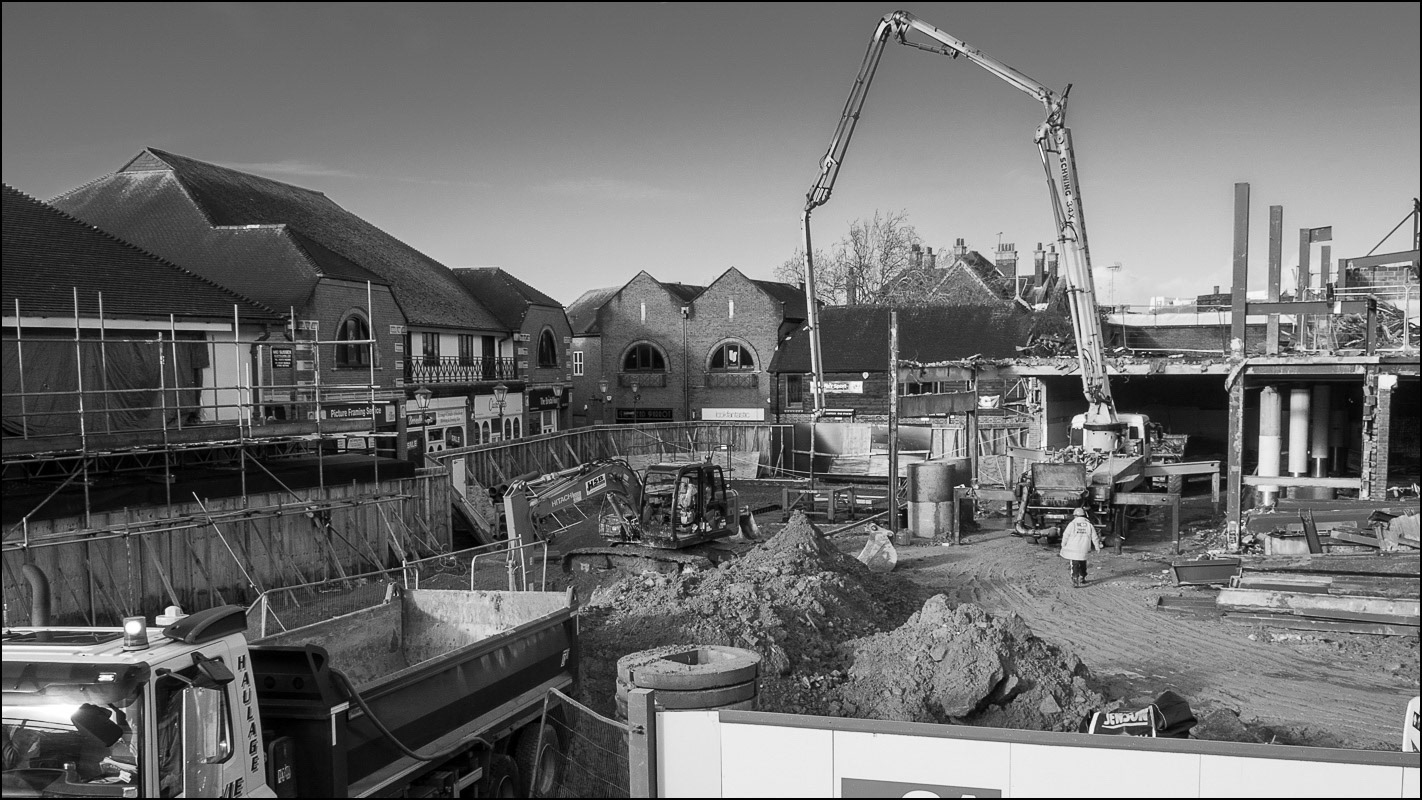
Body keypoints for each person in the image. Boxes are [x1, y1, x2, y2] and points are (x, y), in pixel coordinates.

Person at [1059, 507, 1104, 587]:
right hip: (1084, 549)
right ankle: (1082, 577)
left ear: (1075, 516)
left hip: (1074, 549)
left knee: (1075, 564)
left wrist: (1063, 544)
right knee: (1083, 563)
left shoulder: (1072, 524)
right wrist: (1097, 547)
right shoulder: (1089, 525)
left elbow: (1066, 535)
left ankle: (1075, 578)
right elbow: (1094, 537)